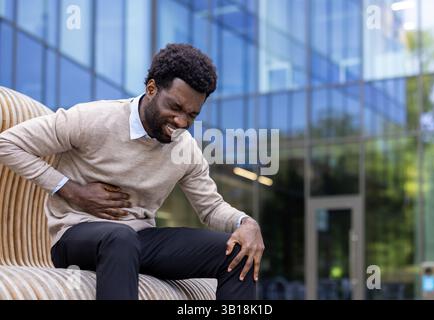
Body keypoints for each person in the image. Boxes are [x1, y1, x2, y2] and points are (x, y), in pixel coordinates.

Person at [0, 43, 265, 300]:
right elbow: (7, 143)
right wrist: (72, 190)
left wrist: (246, 223)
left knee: (238, 251)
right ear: (151, 89)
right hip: (76, 237)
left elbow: (210, 209)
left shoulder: (186, 150)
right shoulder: (92, 119)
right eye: (175, 108)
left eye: (191, 115)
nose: (182, 122)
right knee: (120, 238)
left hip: (139, 242)